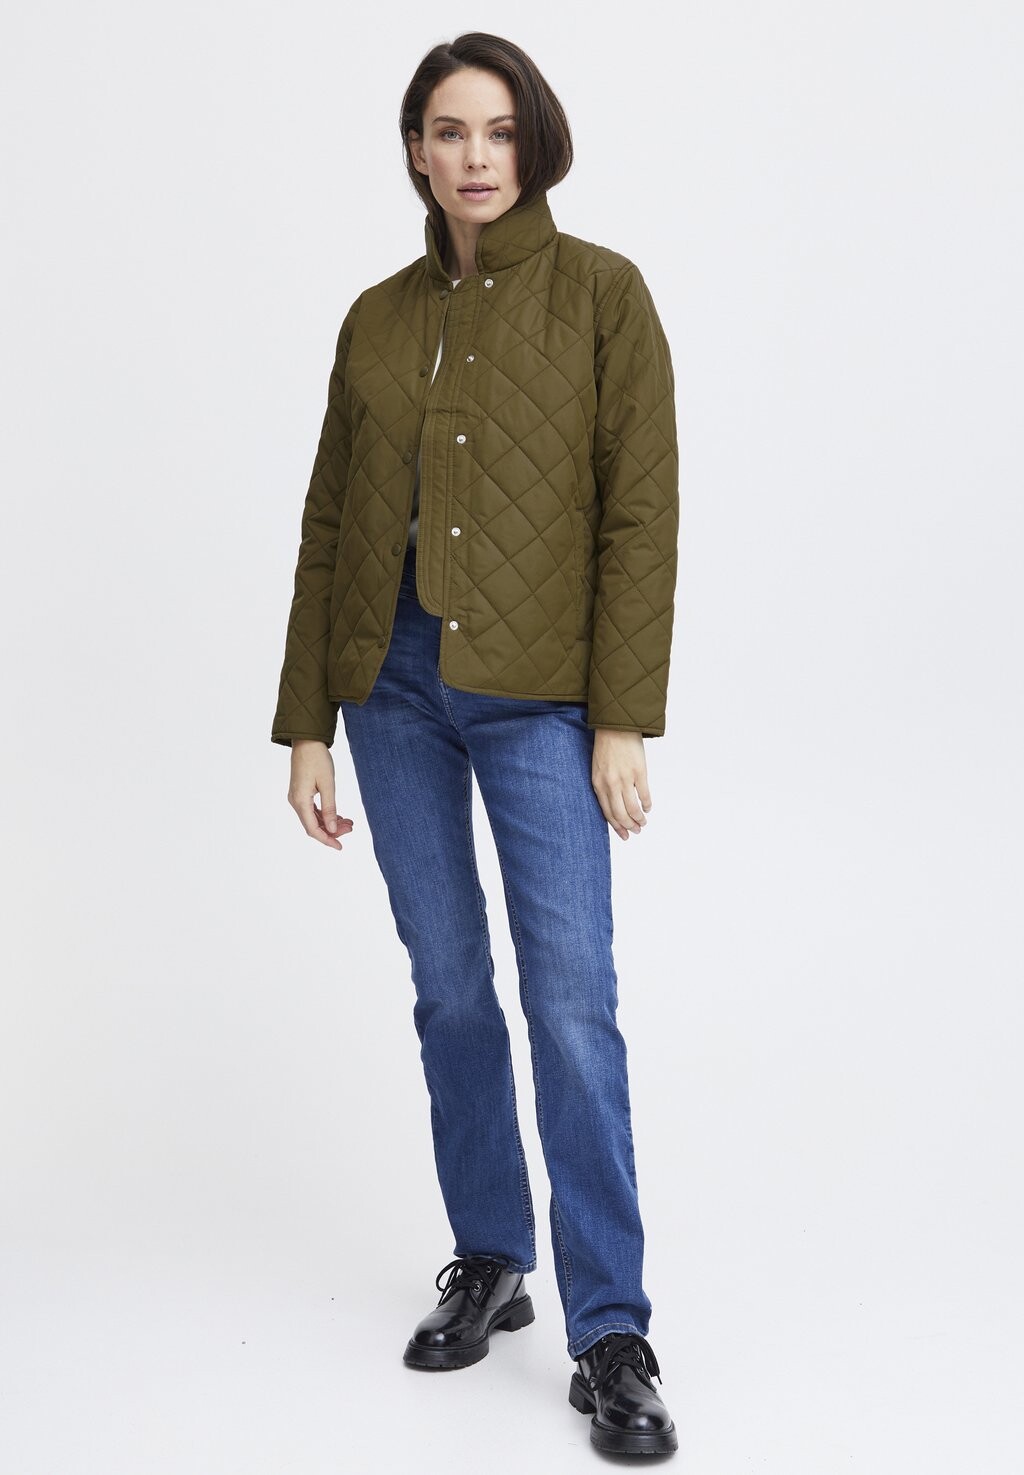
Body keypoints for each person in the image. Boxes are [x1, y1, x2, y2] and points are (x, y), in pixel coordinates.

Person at [271, 32, 680, 1460]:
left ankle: (611, 1329)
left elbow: (641, 515)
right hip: (391, 693)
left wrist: (620, 716)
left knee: (570, 1004)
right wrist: (306, 722)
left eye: (499, 131)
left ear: (534, 142)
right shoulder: (377, 320)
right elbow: (330, 522)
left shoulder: (604, 296)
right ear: (417, 151)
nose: (476, 156)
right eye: (450, 132)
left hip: (541, 700)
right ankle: (493, 1258)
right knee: (450, 989)